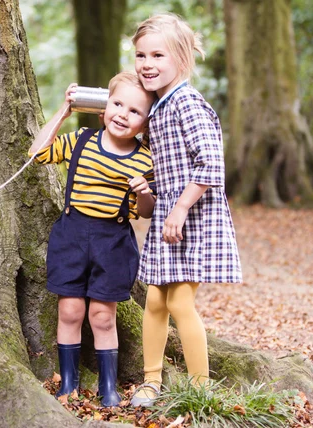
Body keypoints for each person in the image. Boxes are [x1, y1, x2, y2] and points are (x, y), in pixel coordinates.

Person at [129, 13, 243, 407]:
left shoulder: (188, 103)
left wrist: (177, 210)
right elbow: (171, 165)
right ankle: (151, 380)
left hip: (191, 217)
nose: (147, 63)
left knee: (178, 301)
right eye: (141, 55)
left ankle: (200, 387)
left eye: (158, 54)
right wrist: (152, 190)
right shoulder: (161, 106)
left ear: (180, 59)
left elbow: (210, 165)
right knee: (155, 301)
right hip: (170, 217)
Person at [29, 71, 157, 407]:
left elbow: (145, 212)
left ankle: (108, 386)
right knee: (70, 311)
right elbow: (37, 153)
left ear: (144, 123)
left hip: (112, 242)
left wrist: (144, 193)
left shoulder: (146, 160)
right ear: (103, 107)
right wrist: (62, 112)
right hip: (72, 236)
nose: (122, 114)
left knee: (102, 315)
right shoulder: (82, 140)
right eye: (117, 104)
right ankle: (68, 383)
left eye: (134, 111)